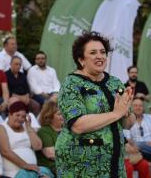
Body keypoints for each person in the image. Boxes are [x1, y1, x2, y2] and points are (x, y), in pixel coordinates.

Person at [55, 31, 135, 178]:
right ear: (81, 60)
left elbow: (128, 124)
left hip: (114, 165)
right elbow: (78, 125)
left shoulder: (115, 82)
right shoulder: (71, 84)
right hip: (81, 165)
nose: (99, 56)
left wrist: (126, 111)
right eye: (93, 52)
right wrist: (116, 114)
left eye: (103, 52)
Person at [0, 101, 53, 178]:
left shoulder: (26, 128)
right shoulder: (0, 128)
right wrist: (25, 165)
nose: (20, 119)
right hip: (13, 173)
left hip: (33, 171)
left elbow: (38, 146)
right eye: (17, 115)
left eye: (23, 116)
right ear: (10, 114)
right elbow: (5, 151)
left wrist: (28, 127)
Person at [36, 101, 64, 176]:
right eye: (59, 114)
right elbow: (51, 155)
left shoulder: (67, 130)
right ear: (49, 116)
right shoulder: (44, 131)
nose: (63, 116)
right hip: (52, 168)